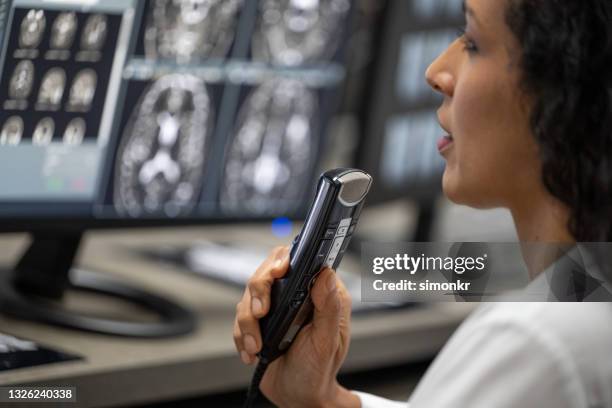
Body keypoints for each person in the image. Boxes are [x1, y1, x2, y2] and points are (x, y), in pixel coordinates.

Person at [233, 0, 612, 406]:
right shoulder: (587, 286)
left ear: (565, 89)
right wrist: (323, 401)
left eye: (473, 42)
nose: (434, 72)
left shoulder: (539, 343)